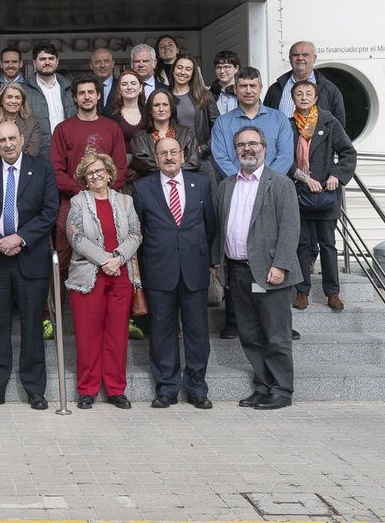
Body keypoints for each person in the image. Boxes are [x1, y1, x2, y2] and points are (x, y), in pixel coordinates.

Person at [0, 121, 58, 411]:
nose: (7, 144)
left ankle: (35, 389)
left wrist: (20, 238)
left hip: (30, 257)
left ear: (22, 139)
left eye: (12, 138)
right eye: (1, 139)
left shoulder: (42, 168)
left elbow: (49, 211)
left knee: (32, 325)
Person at [217, 126, 302, 410]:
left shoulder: (280, 184)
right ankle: (264, 385)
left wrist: (280, 265)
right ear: (234, 149)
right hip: (237, 270)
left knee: (276, 335)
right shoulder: (226, 185)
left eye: (253, 143)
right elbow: (221, 228)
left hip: (269, 272)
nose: (247, 149)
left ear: (264, 147)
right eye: (241, 145)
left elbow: (290, 228)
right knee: (250, 335)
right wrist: (221, 265)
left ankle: (282, 390)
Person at [133, 137, 218, 409]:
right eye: (163, 153)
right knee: (162, 331)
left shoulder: (202, 184)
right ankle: (167, 388)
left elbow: (211, 227)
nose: (169, 157)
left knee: (197, 332)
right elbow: (140, 231)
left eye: (173, 152)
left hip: (194, 268)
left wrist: (212, 262)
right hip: (159, 270)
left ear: (183, 155)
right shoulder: (142, 188)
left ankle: (197, 388)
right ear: (155, 159)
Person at [49, 75, 127, 338]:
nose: (86, 97)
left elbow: (120, 168)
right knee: (63, 260)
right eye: (81, 93)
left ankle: (113, 317)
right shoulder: (63, 129)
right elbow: (56, 170)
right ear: (75, 98)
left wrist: (101, 192)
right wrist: (82, 192)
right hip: (70, 204)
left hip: (108, 204)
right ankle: (55, 318)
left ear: (97, 96)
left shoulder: (111, 128)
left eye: (91, 92)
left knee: (110, 258)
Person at [65, 152, 142, 410]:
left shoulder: (125, 200)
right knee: (88, 335)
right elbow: (75, 236)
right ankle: (87, 390)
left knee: (117, 335)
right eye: (90, 173)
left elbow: (135, 234)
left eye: (100, 171)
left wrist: (118, 259)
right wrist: (104, 261)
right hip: (89, 276)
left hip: (120, 276)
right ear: (84, 179)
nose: (96, 176)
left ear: (109, 173)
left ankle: (115, 390)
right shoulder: (78, 202)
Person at [288, 81, 357, 312]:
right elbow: (283, 158)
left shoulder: (328, 121)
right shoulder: (288, 125)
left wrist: (337, 175)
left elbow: (348, 152)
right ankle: (302, 291)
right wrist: (303, 177)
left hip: (326, 194)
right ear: (293, 99)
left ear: (316, 98)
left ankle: (332, 292)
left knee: (328, 244)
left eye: (309, 93)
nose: (304, 97)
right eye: (299, 94)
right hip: (300, 192)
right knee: (302, 244)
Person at [211, 67, 294, 180]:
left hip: (271, 187)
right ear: (235, 89)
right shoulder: (222, 123)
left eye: (253, 86)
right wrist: (242, 180)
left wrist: (266, 181)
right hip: (236, 187)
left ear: (260, 88)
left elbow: (286, 156)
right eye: (243, 86)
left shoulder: (279, 119)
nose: (248, 91)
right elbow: (219, 158)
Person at [265, 40, 347, 127]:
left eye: (305, 55)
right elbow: (265, 121)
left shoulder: (330, 90)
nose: (300, 58)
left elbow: (339, 126)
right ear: (290, 58)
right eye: (295, 55)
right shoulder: (275, 89)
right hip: (283, 140)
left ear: (314, 58)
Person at [169, 54, 220, 184]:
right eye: (179, 67)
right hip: (171, 160)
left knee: (210, 200)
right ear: (173, 69)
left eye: (188, 69)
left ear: (193, 74)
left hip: (201, 160)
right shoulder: (164, 96)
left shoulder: (205, 96)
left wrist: (202, 148)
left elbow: (218, 128)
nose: (183, 72)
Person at [129, 88, 199, 178]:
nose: (161, 109)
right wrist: (174, 166)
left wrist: (164, 166)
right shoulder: (140, 136)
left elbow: (193, 163)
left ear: (171, 108)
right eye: (156, 105)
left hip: (183, 182)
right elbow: (143, 165)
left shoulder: (186, 133)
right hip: (152, 183)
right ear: (150, 110)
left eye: (165, 104)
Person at [29, 43, 76, 156]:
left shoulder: (71, 87)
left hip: (69, 149)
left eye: (51, 58)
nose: (47, 62)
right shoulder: (24, 90)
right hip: (38, 152)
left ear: (57, 62)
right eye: (42, 59)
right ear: (34, 63)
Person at [0, 83, 41, 159]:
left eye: (17, 98)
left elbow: (33, 153)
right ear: (1, 101)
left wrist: (7, 158)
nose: (13, 101)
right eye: (9, 97)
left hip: (25, 168)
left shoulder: (32, 123)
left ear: (22, 101)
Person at [107, 69, 146, 153]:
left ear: (140, 88)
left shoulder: (149, 113)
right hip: (121, 163)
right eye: (124, 84)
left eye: (133, 83)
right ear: (119, 90)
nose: (129, 87)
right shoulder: (110, 115)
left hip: (147, 163)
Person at [209, 51, 241, 115]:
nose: (222, 71)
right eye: (219, 67)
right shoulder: (209, 93)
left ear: (236, 68)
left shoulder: (244, 90)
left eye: (226, 67)